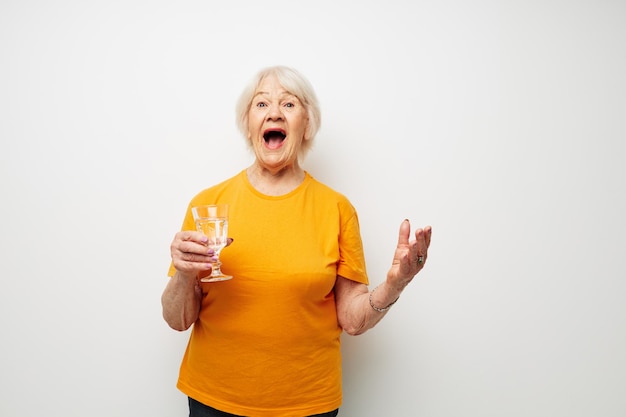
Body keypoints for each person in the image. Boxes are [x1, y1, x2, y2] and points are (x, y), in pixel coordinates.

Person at [161, 65, 432, 417]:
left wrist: (395, 284)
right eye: (261, 105)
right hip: (214, 401)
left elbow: (351, 319)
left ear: (307, 125)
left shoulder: (336, 208)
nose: (274, 112)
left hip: (308, 405)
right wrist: (183, 274)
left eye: (289, 104)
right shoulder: (207, 206)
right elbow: (177, 319)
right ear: (248, 125)